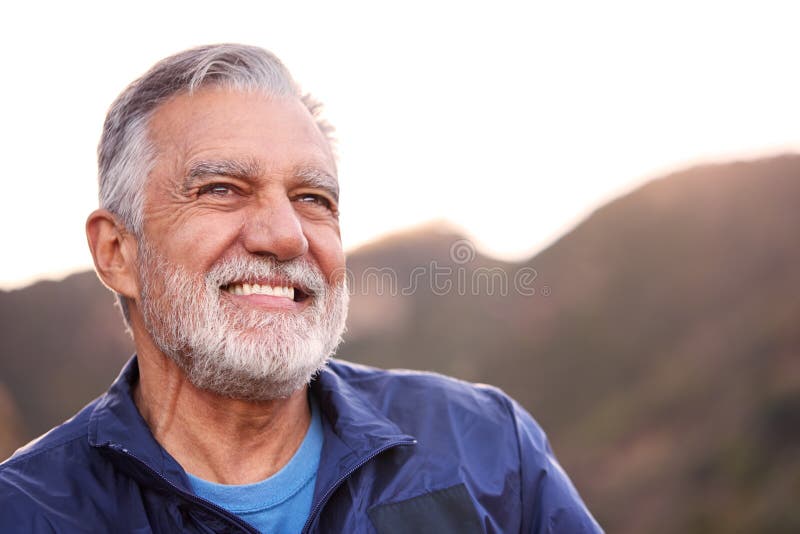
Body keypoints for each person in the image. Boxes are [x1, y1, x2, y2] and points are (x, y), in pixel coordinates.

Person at [0, 44, 602, 533]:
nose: (286, 236)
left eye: (312, 199)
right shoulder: (25, 514)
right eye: (222, 189)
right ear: (117, 251)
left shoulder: (491, 448)